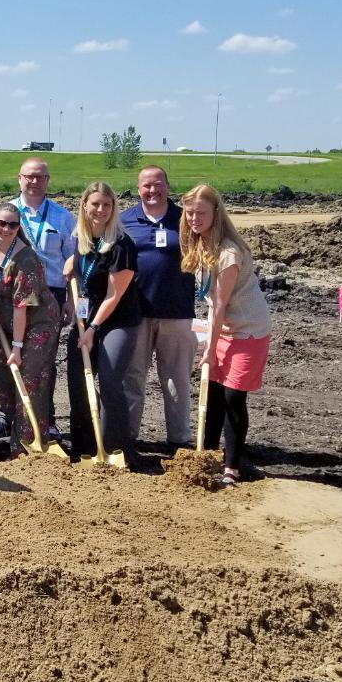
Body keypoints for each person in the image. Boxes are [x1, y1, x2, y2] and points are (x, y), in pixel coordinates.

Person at [180, 184, 273, 487]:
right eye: (190, 213)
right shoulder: (200, 244)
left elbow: (220, 305)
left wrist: (209, 347)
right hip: (222, 328)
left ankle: (231, 466)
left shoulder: (229, 253)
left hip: (248, 331)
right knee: (214, 395)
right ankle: (206, 455)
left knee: (234, 396)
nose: (194, 218)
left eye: (201, 213)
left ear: (215, 213)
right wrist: (211, 339)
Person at [0, 157, 74, 439]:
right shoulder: (4, 213)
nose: (34, 181)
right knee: (5, 360)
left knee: (40, 365)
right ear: (19, 178)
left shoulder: (62, 217)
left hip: (47, 297)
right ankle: (7, 416)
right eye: (29, 176)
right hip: (7, 296)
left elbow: (71, 260)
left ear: (48, 181)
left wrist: (68, 299)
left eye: (40, 177)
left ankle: (44, 420)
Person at [63, 182, 143, 469]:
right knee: (78, 381)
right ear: (85, 205)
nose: (100, 210)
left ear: (113, 209)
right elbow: (83, 264)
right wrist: (71, 264)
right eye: (95, 204)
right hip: (86, 319)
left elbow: (114, 295)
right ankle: (84, 447)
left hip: (117, 321)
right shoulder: (79, 238)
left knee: (110, 380)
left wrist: (92, 330)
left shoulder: (123, 244)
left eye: (106, 205)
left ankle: (115, 448)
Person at [120, 165, 198, 446]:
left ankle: (179, 440)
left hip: (176, 313)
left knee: (176, 380)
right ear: (138, 188)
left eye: (158, 184)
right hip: (135, 313)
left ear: (167, 185)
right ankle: (128, 438)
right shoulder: (125, 220)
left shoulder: (185, 219)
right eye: (146, 186)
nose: (152, 191)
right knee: (133, 378)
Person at [0, 202, 61, 452]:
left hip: (37, 323)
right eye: (1, 223)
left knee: (28, 380)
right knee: (1, 376)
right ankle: (12, 426)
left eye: (12, 225)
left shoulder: (26, 259)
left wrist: (17, 347)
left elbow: (21, 307)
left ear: (18, 227)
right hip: (6, 319)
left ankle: (25, 445)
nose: (6, 229)